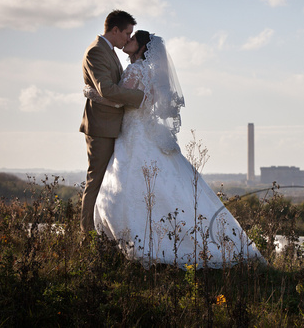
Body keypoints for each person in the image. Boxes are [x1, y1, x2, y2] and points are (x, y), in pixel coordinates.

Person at [83, 31, 264, 269]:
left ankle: (137, 245)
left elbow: (118, 98)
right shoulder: (153, 73)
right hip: (143, 132)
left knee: (128, 188)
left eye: (132, 39)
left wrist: (90, 93)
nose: (127, 41)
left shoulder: (136, 70)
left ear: (142, 48)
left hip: (133, 135)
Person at [79, 10, 145, 233]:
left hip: (113, 126)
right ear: (115, 30)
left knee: (109, 184)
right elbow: (106, 89)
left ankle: (105, 231)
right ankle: (86, 235)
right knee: (96, 181)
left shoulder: (110, 51)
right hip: (101, 127)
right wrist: (141, 98)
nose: (128, 38)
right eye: (127, 33)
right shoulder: (97, 51)